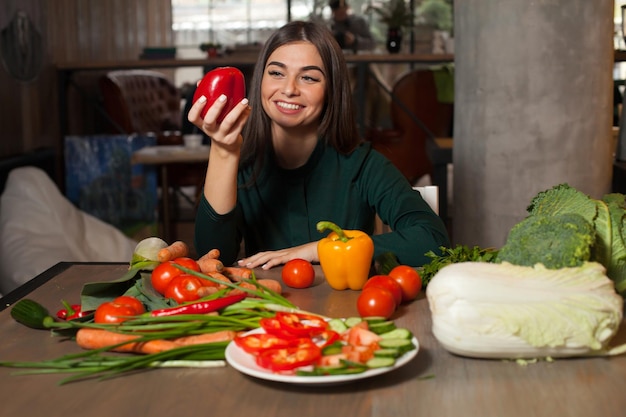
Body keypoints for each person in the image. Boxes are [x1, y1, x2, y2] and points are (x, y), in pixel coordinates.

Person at [188, 20, 449, 270]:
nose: (289, 89)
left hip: (347, 312)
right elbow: (212, 257)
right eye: (277, 73)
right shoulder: (240, 165)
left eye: (309, 78)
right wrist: (223, 151)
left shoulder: (363, 164)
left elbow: (433, 241)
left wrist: (319, 249)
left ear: (332, 90)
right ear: (260, 81)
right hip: (269, 312)